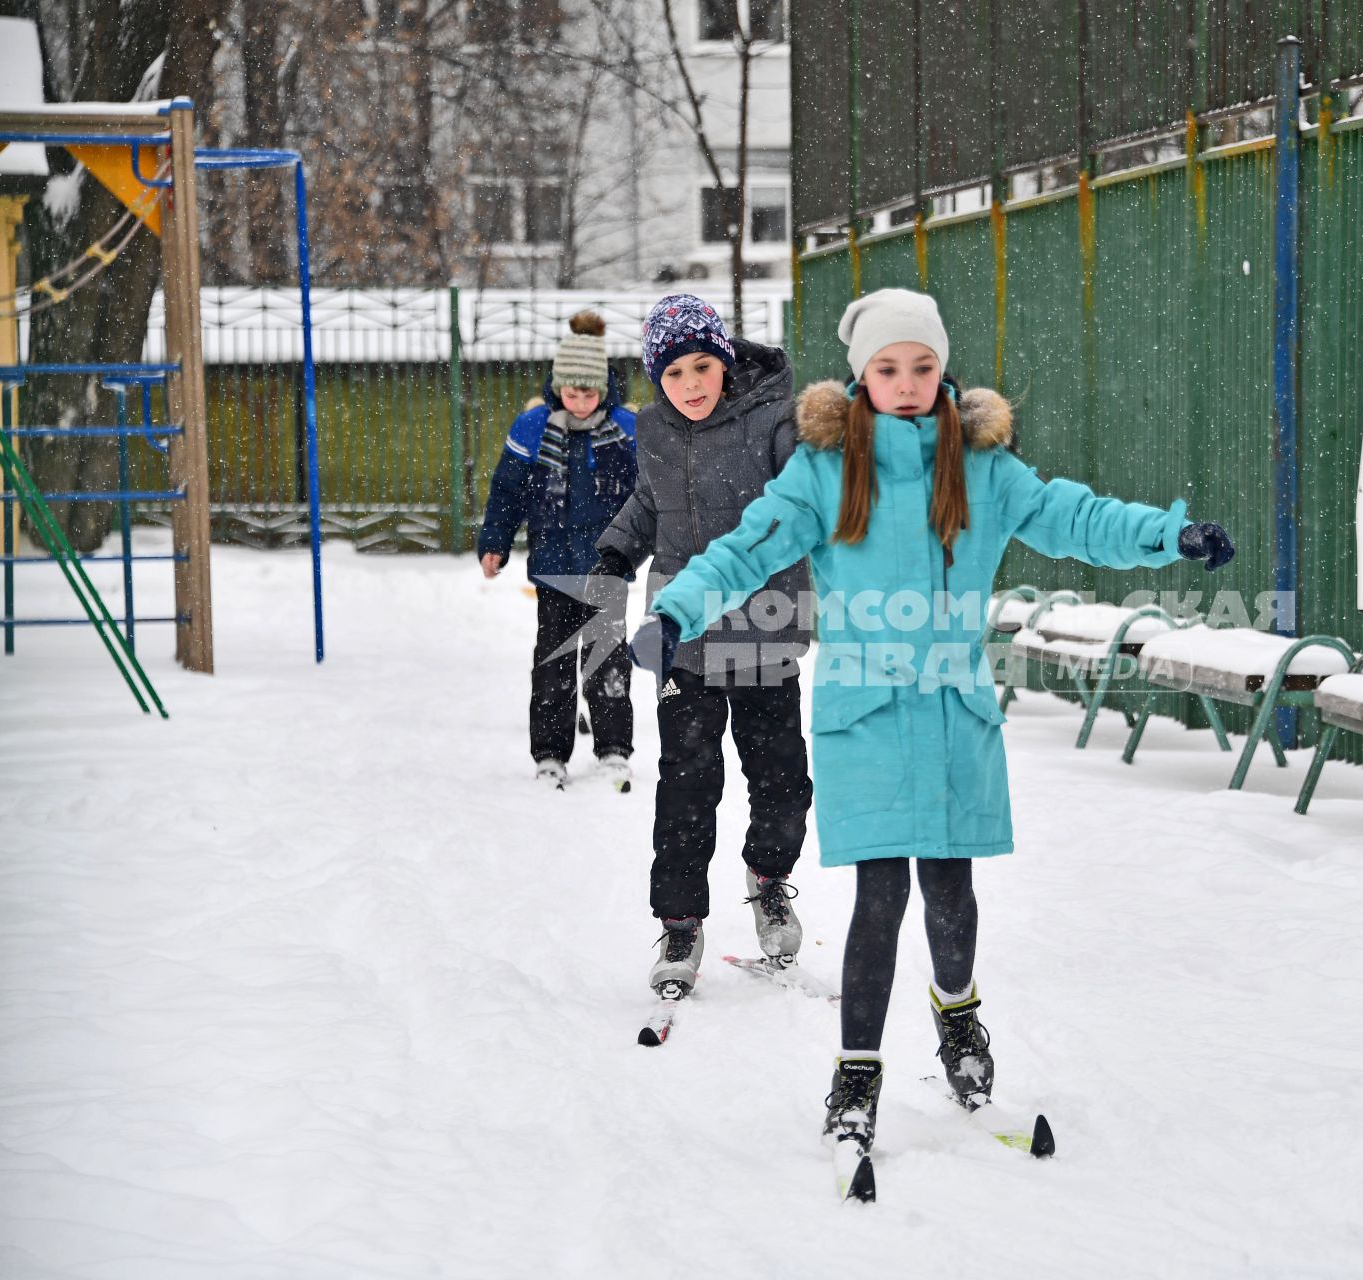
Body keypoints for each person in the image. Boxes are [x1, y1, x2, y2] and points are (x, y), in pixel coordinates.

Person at [645, 288, 1236, 1154]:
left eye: (922, 365)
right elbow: (745, 547)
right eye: (888, 368)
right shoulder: (823, 468)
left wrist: (1166, 537)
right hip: (866, 715)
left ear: (941, 368)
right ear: (862, 376)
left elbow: (1076, 516)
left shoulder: (984, 465)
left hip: (954, 713)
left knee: (951, 889)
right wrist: (677, 611)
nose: (908, 382)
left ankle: (958, 1026)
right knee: (881, 897)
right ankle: (855, 1075)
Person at [595, 294, 815, 991]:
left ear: (723, 362)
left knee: (782, 780)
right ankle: (681, 924)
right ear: (656, 381)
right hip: (683, 638)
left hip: (765, 628)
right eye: (673, 373)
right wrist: (614, 553)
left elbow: (815, 491)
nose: (690, 384)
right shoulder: (654, 430)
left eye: (701, 366)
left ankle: (770, 875)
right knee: (688, 786)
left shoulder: (776, 421)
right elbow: (650, 502)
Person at [478, 310, 638, 792]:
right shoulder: (532, 429)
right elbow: (507, 492)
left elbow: (651, 494)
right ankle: (550, 753)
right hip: (551, 566)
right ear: (557, 386)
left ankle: (613, 749)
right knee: (553, 663)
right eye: (572, 391)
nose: (582, 401)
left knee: (607, 659)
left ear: (605, 389)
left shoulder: (627, 430)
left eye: (590, 392)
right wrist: (495, 544)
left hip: (607, 566)